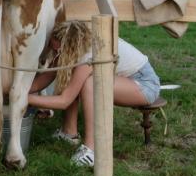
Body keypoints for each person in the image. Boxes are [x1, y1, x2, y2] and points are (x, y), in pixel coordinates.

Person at [27, 20, 161, 167]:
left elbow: (64, 100)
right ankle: (69, 133)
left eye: (56, 49)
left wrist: (25, 99)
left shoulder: (90, 54)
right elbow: (46, 78)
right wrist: (15, 90)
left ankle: (91, 150)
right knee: (74, 75)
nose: (53, 52)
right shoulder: (74, 47)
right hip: (124, 81)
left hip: (144, 84)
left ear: (68, 46)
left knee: (90, 83)